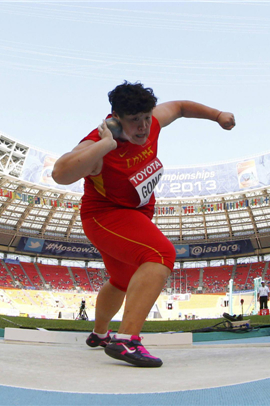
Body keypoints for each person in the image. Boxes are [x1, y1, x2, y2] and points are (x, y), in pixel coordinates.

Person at [52, 81, 235, 367]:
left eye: (147, 118)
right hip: (106, 216)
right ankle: (126, 340)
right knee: (160, 255)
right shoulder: (98, 143)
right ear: (115, 119)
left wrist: (217, 114)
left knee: (122, 281)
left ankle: (100, 335)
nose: (143, 127)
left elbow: (181, 107)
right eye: (134, 121)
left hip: (132, 216)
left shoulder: (152, 123)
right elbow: (60, 173)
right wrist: (105, 145)